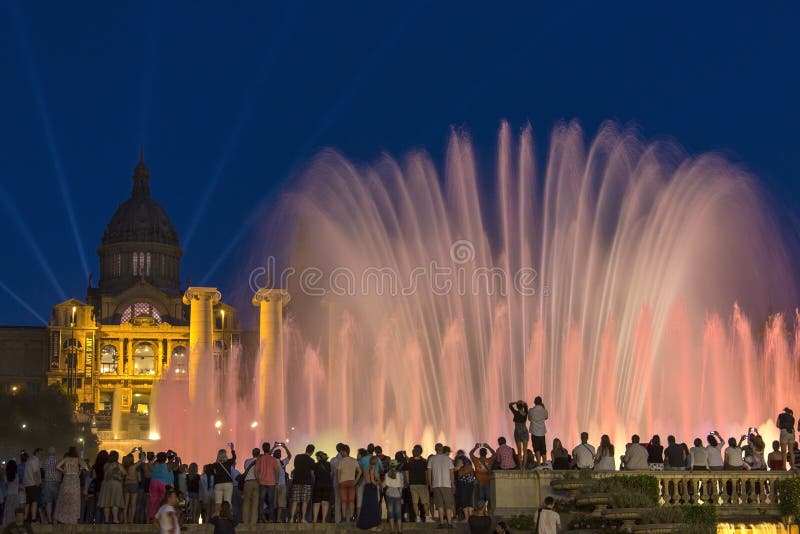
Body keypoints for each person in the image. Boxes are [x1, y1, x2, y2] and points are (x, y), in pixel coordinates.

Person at [427, 443, 455, 529]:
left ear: (435, 449)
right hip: (447, 484)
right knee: (448, 504)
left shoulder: (431, 459)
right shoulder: (448, 459)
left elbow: (429, 472)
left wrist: (430, 484)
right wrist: (453, 484)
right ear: (442, 449)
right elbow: (451, 472)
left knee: (440, 505)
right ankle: (450, 523)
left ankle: (442, 522)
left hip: (436, 484)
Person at [289, 444, 316, 523]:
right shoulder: (311, 461)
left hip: (296, 481)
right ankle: (303, 518)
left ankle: (291, 518)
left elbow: (295, 466)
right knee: (305, 501)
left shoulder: (297, 457)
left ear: (306, 449)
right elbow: (312, 472)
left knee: (295, 501)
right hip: (306, 482)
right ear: (312, 452)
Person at [254, 442, 280, 523]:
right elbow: (277, 471)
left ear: (263, 449)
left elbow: (256, 471)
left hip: (262, 483)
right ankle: (271, 519)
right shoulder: (273, 459)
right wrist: (276, 482)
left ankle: (261, 519)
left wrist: (258, 480)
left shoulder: (260, 459)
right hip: (271, 483)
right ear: (269, 449)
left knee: (261, 502)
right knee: (271, 502)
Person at [336, 445, 361, 523]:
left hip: (342, 482)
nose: (341, 453)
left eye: (342, 452)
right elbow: (360, 472)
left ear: (344, 452)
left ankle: (343, 518)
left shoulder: (341, 461)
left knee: (343, 501)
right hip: (351, 482)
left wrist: (338, 481)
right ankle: (351, 517)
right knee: (351, 501)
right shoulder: (354, 460)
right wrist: (356, 481)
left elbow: (338, 473)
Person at [99, 450, 125, 523]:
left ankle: (106, 520)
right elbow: (124, 472)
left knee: (106, 503)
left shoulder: (106, 465)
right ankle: (115, 519)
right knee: (115, 502)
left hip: (106, 484)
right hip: (115, 484)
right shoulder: (118, 465)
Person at [356, 456, 381, 531]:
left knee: (366, 506)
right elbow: (372, 481)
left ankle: (367, 524)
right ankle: (373, 526)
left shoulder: (366, 468)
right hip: (371, 488)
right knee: (373, 507)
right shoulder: (373, 469)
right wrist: (379, 483)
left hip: (366, 488)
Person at [212, 445, 237, 516]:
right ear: (225, 455)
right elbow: (234, 458)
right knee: (227, 502)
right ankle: (228, 517)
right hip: (228, 484)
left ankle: (216, 517)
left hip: (218, 484)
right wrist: (232, 449)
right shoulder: (228, 462)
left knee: (218, 503)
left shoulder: (215, 465)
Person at [470, 443, 495, 510]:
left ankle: (481, 510)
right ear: (486, 453)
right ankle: (489, 511)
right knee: (488, 497)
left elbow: (471, 454)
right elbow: (494, 454)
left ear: (479, 453)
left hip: (479, 481)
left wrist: (475, 447)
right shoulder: (489, 460)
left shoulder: (476, 460)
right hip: (487, 481)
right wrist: (488, 447)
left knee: (480, 498)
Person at [240, 448, 260, 526]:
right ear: (259, 454)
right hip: (256, 482)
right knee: (255, 503)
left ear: (252, 453)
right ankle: (253, 522)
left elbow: (245, 469)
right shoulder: (260, 461)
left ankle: (245, 521)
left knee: (246, 502)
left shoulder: (247, 461)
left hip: (247, 482)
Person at [40, 446, 60, 524]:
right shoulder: (58, 460)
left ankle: (49, 519)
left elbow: (44, 470)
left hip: (47, 482)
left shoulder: (45, 461)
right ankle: (55, 519)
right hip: (56, 482)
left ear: (48, 453)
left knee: (48, 502)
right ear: (54, 452)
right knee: (57, 501)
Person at [312, 451, 333, 523]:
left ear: (318, 457)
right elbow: (331, 474)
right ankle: (323, 520)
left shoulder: (315, 465)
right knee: (325, 502)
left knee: (316, 503)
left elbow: (313, 475)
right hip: (327, 485)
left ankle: (315, 519)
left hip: (318, 485)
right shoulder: (328, 464)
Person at [271, 443, 291, 522]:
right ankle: (278, 518)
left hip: (273, 485)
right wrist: (285, 447)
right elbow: (289, 456)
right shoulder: (282, 463)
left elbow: (267, 455)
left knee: (273, 502)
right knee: (281, 503)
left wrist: (273, 447)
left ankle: (272, 518)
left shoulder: (271, 462)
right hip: (282, 485)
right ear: (280, 455)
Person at [149, 452, 172, 520]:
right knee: (162, 499)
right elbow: (170, 468)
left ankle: (152, 516)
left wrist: (162, 456)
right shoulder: (166, 465)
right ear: (165, 459)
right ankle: (162, 515)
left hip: (153, 483)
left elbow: (157, 460)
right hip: (162, 483)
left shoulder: (155, 464)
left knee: (153, 500)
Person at [22, 448, 43, 523]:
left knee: (28, 502)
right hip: (33, 484)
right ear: (37, 453)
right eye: (41, 454)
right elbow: (35, 473)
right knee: (34, 501)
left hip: (27, 484)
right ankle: (33, 519)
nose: (42, 455)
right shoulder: (35, 460)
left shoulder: (29, 460)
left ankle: (25, 518)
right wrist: (37, 483)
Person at [384, 460, 404, 534]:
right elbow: (401, 486)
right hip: (397, 494)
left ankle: (392, 530)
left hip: (389, 493)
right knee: (398, 512)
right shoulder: (400, 474)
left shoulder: (386, 474)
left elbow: (385, 484)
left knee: (390, 512)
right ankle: (399, 530)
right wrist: (401, 496)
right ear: (396, 466)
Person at [508, 401, 529, 470]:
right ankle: (524, 466)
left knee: (519, 451)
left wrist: (515, 402)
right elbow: (526, 405)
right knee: (525, 450)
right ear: (522, 407)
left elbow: (510, 405)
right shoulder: (525, 413)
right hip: (524, 431)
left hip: (517, 432)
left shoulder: (516, 413)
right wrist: (522, 402)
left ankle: (520, 467)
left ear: (517, 407)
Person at [528, 396, 549, 465]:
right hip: (542, 432)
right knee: (543, 447)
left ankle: (538, 463)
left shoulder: (531, 410)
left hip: (534, 432)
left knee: (536, 448)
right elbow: (546, 417)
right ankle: (545, 462)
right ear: (541, 402)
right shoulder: (544, 410)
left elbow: (529, 419)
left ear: (534, 402)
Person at [455, 456, 476, 521]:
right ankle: (470, 518)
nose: (458, 463)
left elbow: (459, 474)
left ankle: (467, 518)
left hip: (465, 486)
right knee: (469, 502)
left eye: (459, 462)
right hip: (470, 486)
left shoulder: (463, 469)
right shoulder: (470, 467)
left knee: (465, 502)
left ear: (463, 462)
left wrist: (458, 468)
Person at [123, 453, 140, 523]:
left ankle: (125, 520)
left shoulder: (124, 467)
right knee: (133, 504)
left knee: (126, 504)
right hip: (134, 485)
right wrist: (141, 451)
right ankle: (131, 520)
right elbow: (141, 460)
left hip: (126, 485)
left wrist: (132, 451)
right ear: (132, 459)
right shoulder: (135, 467)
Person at [2, 461, 20, 526]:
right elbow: (18, 486)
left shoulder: (6, 475)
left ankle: (7, 527)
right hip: (16, 495)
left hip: (9, 495)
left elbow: (5, 486)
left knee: (8, 513)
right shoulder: (17, 475)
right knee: (15, 512)